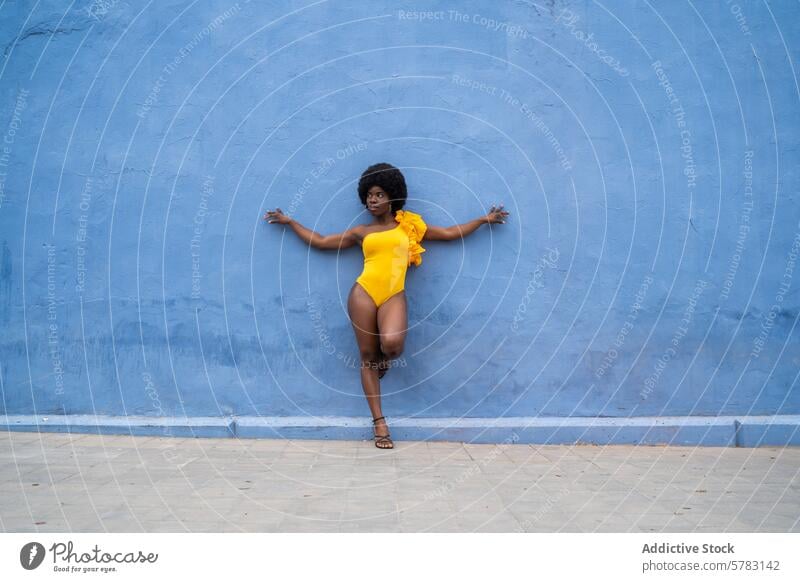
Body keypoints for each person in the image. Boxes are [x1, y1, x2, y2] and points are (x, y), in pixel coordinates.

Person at [264, 163, 510, 449]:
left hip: (394, 294)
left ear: (393, 196)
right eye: (369, 195)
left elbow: (448, 233)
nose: (373, 200)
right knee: (367, 357)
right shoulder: (360, 232)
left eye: (379, 194)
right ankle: (379, 423)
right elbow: (321, 241)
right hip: (363, 293)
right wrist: (290, 222)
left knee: (392, 345)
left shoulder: (409, 227)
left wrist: (483, 219)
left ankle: (385, 357)